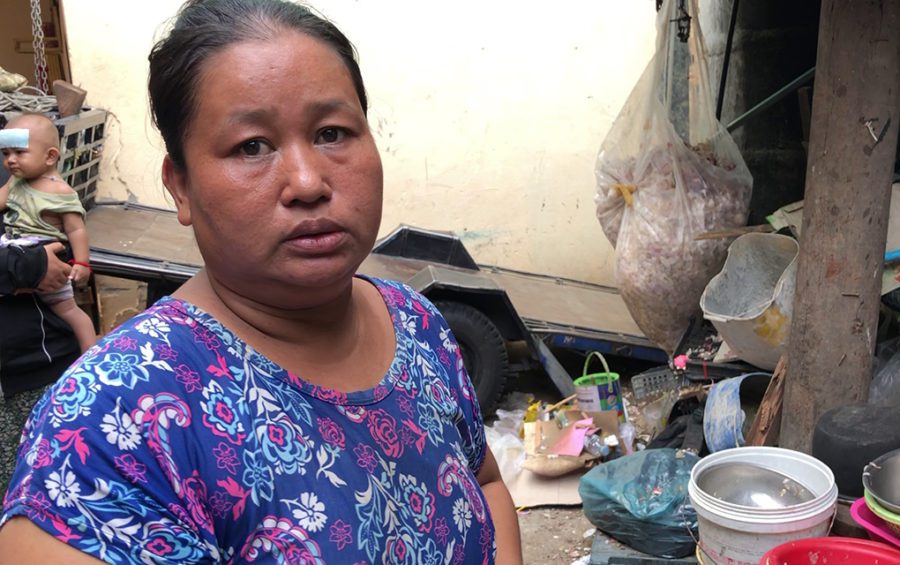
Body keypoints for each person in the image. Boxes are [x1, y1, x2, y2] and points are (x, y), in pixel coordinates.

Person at [0, 0, 523, 563]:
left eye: (332, 132)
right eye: (252, 146)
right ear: (180, 187)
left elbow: (485, 482)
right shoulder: (113, 425)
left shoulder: (416, 323)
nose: (307, 181)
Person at [0, 114, 96, 352]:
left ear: (50, 156)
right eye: (5, 154)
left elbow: (76, 229)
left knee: (70, 311)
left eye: (19, 153)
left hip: (44, 253)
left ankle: (90, 357)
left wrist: (82, 263)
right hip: (12, 249)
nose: (11, 160)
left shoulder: (60, 191)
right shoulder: (15, 182)